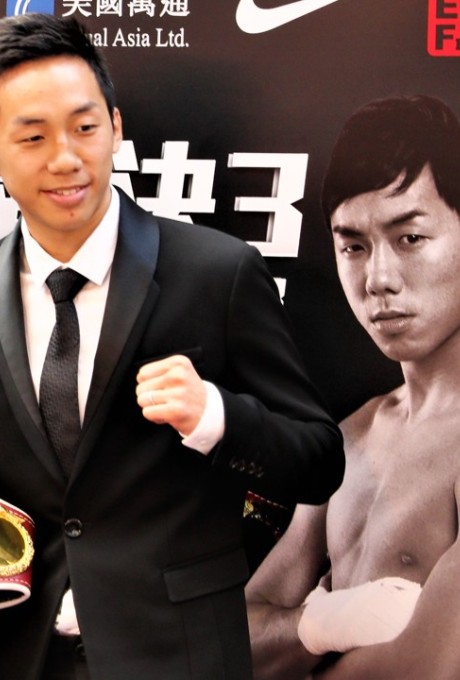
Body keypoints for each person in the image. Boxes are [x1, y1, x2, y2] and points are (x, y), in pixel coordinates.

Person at [0, 13, 344, 679]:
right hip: (27, 658)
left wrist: (216, 418)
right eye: (32, 136)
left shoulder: (216, 273)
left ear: (116, 126)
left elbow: (318, 462)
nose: (66, 157)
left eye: (85, 127)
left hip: (182, 655)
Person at [246, 94, 460, 679]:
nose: (378, 279)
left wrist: (301, 633)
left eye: (410, 238)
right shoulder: (351, 438)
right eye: (353, 246)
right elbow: (232, 644)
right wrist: (319, 625)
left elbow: (426, 668)